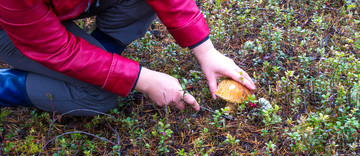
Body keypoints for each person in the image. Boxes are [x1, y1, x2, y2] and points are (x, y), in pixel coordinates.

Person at [0, 0, 256, 116]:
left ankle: (103, 57)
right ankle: (5, 86)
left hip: (53, 10)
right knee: (97, 96)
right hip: (13, 25)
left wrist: (206, 50)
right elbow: (57, 49)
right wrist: (142, 79)